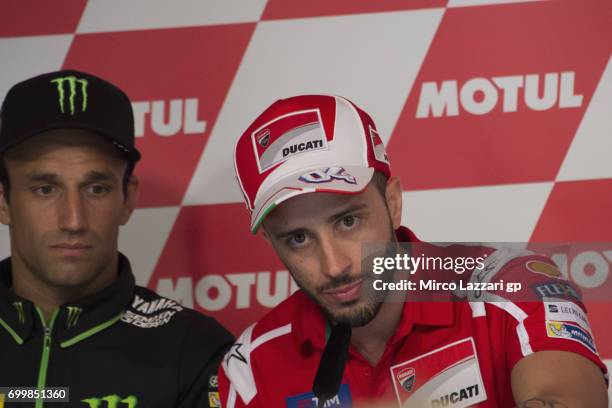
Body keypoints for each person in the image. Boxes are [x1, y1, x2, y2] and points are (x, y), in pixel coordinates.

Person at [219, 94, 608, 407]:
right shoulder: (251, 367)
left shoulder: (511, 284)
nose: (334, 266)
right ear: (271, 242)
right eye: (299, 238)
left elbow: (567, 396)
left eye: (348, 221)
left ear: (392, 202)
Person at [0, 70, 233, 407]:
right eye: (45, 189)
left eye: (97, 189)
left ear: (127, 199)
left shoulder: (195, 351)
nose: (73, 220)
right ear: (4, 201)